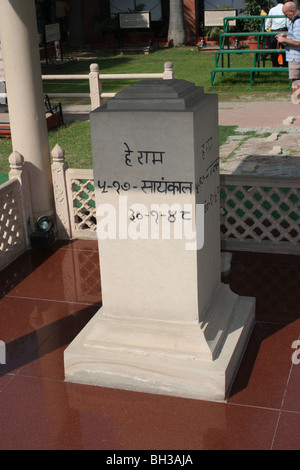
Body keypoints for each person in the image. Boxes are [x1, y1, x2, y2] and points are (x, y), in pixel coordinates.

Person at [276, 2, 300, 101]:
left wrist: (284, 40)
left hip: (296, 56)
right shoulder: (296, 21)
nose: (286, 17)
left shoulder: (297, 21)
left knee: (296, 80)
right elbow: (296, 35)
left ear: (291, 11)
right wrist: (287, 34)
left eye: (286, 14)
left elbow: (298, 42)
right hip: (295, 55)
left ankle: (296, 101)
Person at [265, 0, 290, 67]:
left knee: (273, 50)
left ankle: (275, 65)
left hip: (274, 32)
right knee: (285, 49)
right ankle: (285, 65)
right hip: (283, 30)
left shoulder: (272, 10)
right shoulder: (285, 9)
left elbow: (268, 22)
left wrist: (266, 29)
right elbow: (288, 21)